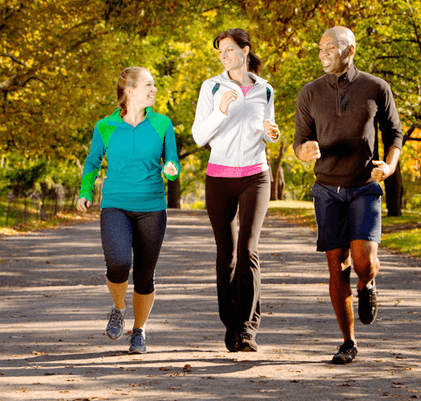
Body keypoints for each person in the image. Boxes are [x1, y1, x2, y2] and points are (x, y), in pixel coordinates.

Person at [294, 26, 403, 364]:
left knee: (363, 262)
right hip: (326, 188)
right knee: (336, 267)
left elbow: (395, 133)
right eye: (320, 47)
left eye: (330, 47)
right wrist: (303, 152)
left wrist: (390, 166)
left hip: (364, 187)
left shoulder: (376, 87)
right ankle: (348, 342)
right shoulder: (309, 93)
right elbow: (299, 143)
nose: (323, 53)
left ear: (350, 50)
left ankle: (367, 285)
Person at [77, 66, 180, 354]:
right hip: (115, 205)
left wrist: (171, 171)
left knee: (145, 275)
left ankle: (139, 331)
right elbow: (92, 163)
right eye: (149, 84)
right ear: (130, 90)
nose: (154, 89)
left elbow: (171, 163)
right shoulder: (105, 126)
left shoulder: (162, 124)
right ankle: (119, 308)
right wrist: (85, 192)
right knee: (119, 263)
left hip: (152, 206)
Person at [192, 28, 280, 352]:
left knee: (248, 250)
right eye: (220, 52)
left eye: (229, 50)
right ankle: (230, 326)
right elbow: (199, 136)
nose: (224, 56)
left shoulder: (265, 90)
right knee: (226, 254)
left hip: (256, 176)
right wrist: (220, 111)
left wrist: (273, 134)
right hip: (219, 177)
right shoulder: (211, 87)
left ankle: (248, 329)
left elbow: (266, 131)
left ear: (245, 51)